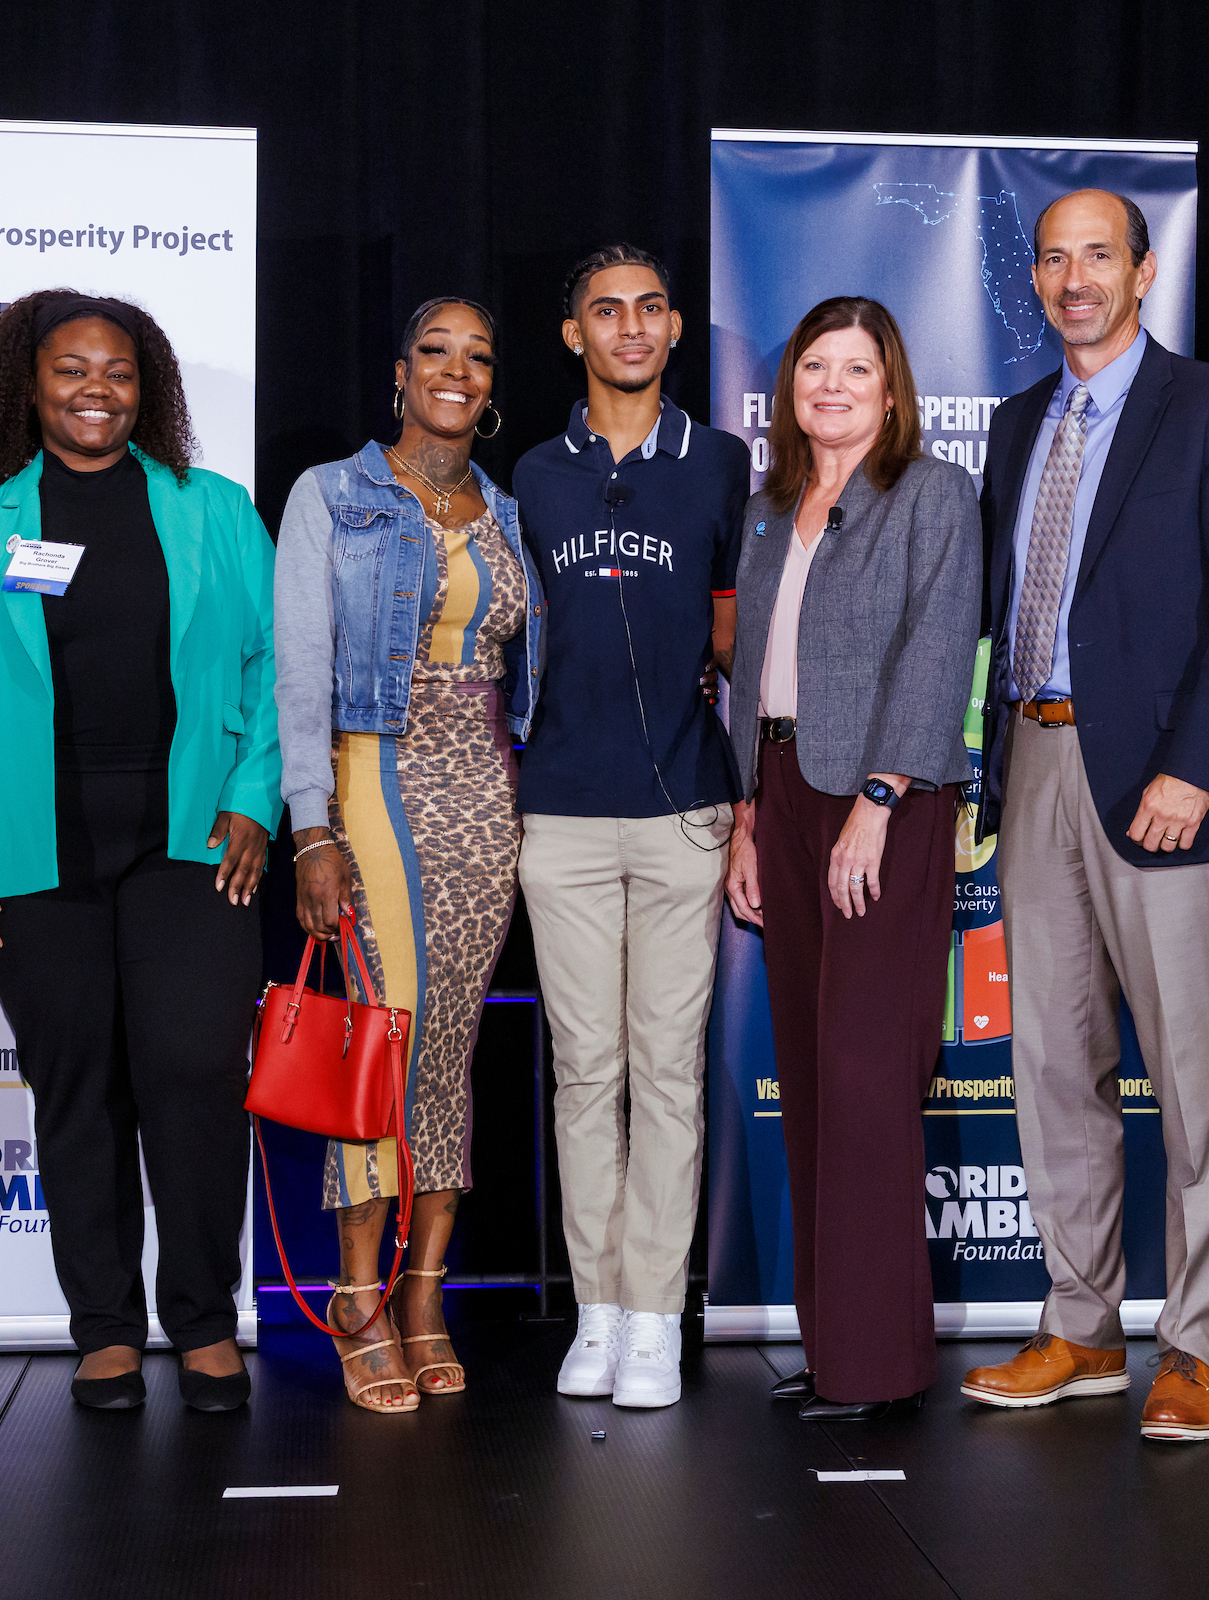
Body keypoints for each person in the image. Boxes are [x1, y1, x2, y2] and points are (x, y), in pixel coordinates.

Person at [959, 190, 1209, 1443]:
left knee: (1195, 1076)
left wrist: (1196, 766)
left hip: (1167, 780)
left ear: (1144, 272)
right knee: (1051, 1068)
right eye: (1053, 259)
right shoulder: (1014, 424)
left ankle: (1196, 1346)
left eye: (1097, 254)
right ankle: (1082, 1326)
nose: (1073, 277)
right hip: (1036, 763)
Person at [0, 291, 278, 1414]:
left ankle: (206, 1319)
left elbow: (271, 671)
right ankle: (107, 1329)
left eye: (117, 371)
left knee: (193, 1074)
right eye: (71, 370)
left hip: (189, 837)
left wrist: (256, 799)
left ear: (147, 386)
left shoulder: (214, 510)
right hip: (34, 842)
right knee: (78, 1086)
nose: (94, 390)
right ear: (31, 384)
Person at [276, 296, 543, 1413]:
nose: (458, 371)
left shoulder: (509, 511)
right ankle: (356, 1296)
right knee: (386, 1035)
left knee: (451, 1047)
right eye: (437, 351)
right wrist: (309, 824)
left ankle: (424, 1289)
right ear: (401, 372)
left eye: (479, 356)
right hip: (371, 777)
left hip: (485, 790)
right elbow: (298, 665)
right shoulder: (331, 494)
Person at [724, 296, 982, 1421]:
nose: (831, 386)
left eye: (856, 369)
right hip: (781, 792)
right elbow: (748, 675)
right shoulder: (771, 504)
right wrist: (745, 812)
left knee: (873, 1084)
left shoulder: (932, 493)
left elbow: (935, 647)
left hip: (883, 799)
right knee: (816, 1070)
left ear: (893, 388)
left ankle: (880, 1365)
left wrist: (879, 798)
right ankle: (833, 1348)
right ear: (789, 388)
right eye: (813, 367)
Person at [512, 244, 749, 1409]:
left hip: (684, 813)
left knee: (665, 1073)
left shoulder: (719, 463)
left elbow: (736, 633)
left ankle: (658, 1313)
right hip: (555, 811)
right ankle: (596, 1308)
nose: (632, 327)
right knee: (582, 1072)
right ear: (575, 335)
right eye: (606, 310)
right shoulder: (533, 477)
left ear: (675, 326)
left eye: (651, 309)